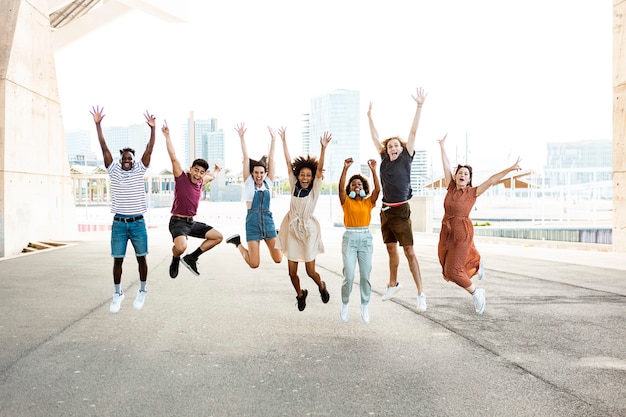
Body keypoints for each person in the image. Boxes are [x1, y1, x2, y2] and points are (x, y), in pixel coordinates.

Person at [437, 134, 521, 314]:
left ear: (469, 179)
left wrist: (511, 168)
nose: (462, 175)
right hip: (447, 231)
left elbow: (491, 180)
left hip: (462, 232)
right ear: (456, 175)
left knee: (454, 271)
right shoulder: (451, 187)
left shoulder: (473, 192)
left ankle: (476, 293)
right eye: (460, 172)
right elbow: (445, 165)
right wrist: (442, 146)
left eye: (466, 174)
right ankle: (478, 261)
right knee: (446, 268)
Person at [90, 105, 156, 313]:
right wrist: (98, 124)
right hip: (119, 223)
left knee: (141, 258)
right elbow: (104, 147)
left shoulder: (139, 169)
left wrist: (153, 130)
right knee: (117, 260)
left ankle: (143, 290)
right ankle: (117, 293)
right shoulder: (113, 170)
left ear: (133, 160)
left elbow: (149, 148)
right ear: (120, 160)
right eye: (124, 158)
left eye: (130, 158)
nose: (127, 161)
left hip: (137, 223)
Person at [367, 88, 428, 311]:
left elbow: (412, 132)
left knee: (409, 252)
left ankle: (421, 293)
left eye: (396, 145)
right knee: (391, 250)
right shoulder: (384, 159)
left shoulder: (405, 159)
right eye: (390, 145)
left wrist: (419, 107)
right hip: (385, 211)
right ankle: (393, 284)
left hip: (401, 210)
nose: (393, 148)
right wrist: (369, 116)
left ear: (402, 149)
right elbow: (375, 138)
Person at [275, 127, 331, 311]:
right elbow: (288, 161)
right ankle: (300, 294)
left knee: (309, 271)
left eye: (308, 175)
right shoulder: (293, 185)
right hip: (292, 229)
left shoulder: (314, 188)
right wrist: (283, 141)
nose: (305, 177)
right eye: (302, 174)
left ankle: (321, 286)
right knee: (292, 272)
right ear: (297, 175)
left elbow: (321, 168)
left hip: (308, 231)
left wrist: (323, 148)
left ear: (312, 177)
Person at [162, 121, 223, 278]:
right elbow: (173, 157)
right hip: (177, 222)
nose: (198, 174)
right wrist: (167, 136)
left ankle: (192, 258)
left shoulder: (203, 180)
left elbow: (212, 176)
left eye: (201, 172)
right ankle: (176, 257)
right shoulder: (181, 177)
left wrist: (216, 170)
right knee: (181, 247)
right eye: (196, 170)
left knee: (217, 237)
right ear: (191, 169)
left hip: (191, 222)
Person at [225, 123, 282, 267]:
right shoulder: (249, 183)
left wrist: (274, 140)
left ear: (265, 174)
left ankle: (277, 234)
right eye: (256, 172)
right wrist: (241, 137)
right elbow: (245, 158)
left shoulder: (268, 183)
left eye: (261, 173)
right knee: (254, 263)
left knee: (278, 259)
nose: (259, 175)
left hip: (268, 222)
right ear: (252, 173)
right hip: (253, 224)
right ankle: (237, 243)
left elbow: (272, 159)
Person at [337, 157, 381, 324]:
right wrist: (345, 168)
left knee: (365, 274)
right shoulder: (346, 201)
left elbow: (378, 189)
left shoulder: (369, 202)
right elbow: (340, 188)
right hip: (349, 237)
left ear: (364, 188)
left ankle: (364, 304)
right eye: (354, 184)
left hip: (365, 239)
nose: (357, 186)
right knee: (348, 274)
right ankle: (345, 303)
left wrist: (373, 170)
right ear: (350, 188)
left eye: (360, 184)